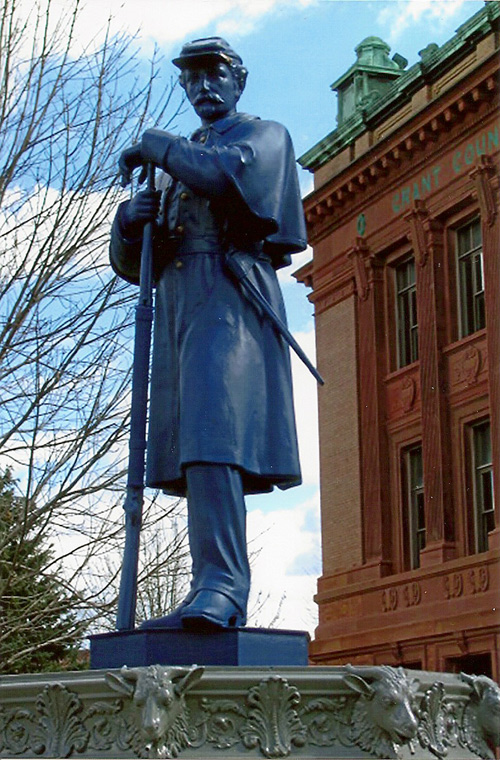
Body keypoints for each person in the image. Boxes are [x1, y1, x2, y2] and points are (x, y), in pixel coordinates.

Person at [110, 37, 307, 631]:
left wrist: (157, 146)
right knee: (192, 445)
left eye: (213, 74)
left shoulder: (264, 135)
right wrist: (129, 224)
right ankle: (207, 584)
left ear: (238, 78)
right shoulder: (180, 160)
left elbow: (227, 179)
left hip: (231, 291)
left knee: (214, 434)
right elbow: (134, 263)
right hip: (179, 301)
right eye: (191, 79)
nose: (202, 87)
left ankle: (224, 586)